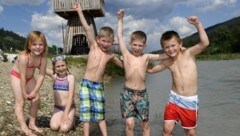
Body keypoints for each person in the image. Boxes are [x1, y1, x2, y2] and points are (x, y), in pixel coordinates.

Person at [147, 16, 209, 136]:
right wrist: (137, 63)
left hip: (189, 101)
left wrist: (198, 24)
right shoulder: (168, 62)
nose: (170, 49)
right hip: (174, 99)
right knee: (166, 130)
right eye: (167, 47)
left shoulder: (189, 53)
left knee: (190, 132)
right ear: (163, 49)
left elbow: (205, 43)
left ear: (180, 44)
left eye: (173, 45)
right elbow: (152, 70)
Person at [73, 3, 123, 136]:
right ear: (98, 39)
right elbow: (87, 28)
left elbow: (124, 66)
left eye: (109, 42)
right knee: (86, 113)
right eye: (104, 41)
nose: (106, 44)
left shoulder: (110, 55)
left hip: (99, 86)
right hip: (86, 84)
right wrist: (79, 11)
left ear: (112, 42)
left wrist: (136, 65)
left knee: (100, 113)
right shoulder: (94, 47)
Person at [117, 9, 169, 136]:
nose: (137, 48)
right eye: (134, 45)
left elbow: (163, 56)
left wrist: (178, 49)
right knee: (130, 124)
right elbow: (119, 35)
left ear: (144, 46)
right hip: (127, 94)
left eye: (140, 45)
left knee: (144, 124)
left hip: (142, 94)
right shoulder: (126, 54)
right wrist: (120, 19)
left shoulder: (146, 57)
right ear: (130, 44)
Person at [10, 31, 48, 136]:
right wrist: (24, 93)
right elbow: (22, 76)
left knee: (36, 99)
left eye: (40, 44)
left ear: (44, 46)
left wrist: (35, 91)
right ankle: (24, 127)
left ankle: (32, 124)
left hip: (30, 77)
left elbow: (41, 75)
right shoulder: (23, 57)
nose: (38, 47)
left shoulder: (43, 58)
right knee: (20, 101)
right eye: (34, 44)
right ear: (29, 45)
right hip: (17, 77)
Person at [46, 55, 76, 133]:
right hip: (58, 108)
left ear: (66, 65)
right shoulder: (54, 76)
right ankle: (61, 117)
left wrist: (66, 114)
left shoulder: (70, 78)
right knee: (54, 127)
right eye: (58, 66)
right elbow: (41, 67)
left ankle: (72, 122)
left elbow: (71, 97)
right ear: (54, 68)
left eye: (63, 65)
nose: (61, 68)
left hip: (69, 108)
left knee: (64, 129)